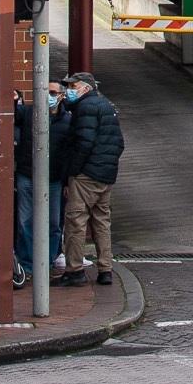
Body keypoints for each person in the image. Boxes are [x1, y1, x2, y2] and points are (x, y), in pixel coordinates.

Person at [54, 69, 127, 280]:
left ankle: (74, 269)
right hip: (106, 174)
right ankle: (105, 269)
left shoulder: (85, 108)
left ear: (86, 88)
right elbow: (118, 143)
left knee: (75, 221)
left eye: (72, 87)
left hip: (86, 174)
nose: (68, 91)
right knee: (101, 221)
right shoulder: (105, 107)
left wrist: (73, 172)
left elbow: (82, 144)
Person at [9, 81, 69, 285]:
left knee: (53, 224)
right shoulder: (26, 113)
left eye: (53, 92)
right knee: (25, 222)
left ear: (61, 96)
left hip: (53, 180)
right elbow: (6, 118)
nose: (48, 95)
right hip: (27, 175)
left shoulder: (67, 121)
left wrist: (67, 179)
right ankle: (27, 265)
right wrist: (12, 101)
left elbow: (69, 153)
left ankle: (48, 263)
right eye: (45, 91)